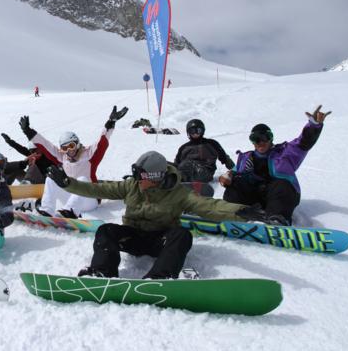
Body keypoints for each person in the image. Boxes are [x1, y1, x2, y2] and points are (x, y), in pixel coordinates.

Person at [46, 151, 262, 279]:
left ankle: (160, 276)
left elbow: (210, 206)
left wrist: (242, 211)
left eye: (141, 175)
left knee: (182, 235)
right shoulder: (133, 186)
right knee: (106, 230)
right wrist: (67, 183)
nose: (137, 179)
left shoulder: (178, 194)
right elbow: (99, 189)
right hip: (132, 236)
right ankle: (101, 272)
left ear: (156, 176)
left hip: (160, 240)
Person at [218, 105, 331, 226]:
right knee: (236, 184)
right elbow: (232, 174)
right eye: (256, 139)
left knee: (281, 184)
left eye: (265, 138)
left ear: (271, 138)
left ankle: (277, 219)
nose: (261, 142)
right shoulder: (246, 157)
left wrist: (313, 125)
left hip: (280, 196)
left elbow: (303, 143)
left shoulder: (285, 152)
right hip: (256, 197)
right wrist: (227, 177)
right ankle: (231, 214)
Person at [19, 105, 128, 218]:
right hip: (71, 195)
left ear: (77, 143)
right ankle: (47, 210)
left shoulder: (89, 155)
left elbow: (102, 142)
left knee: (82, 179)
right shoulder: (62, 157)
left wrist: (110, 122)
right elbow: (46, 145)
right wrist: (28, 132)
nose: (69, 150)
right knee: (51, 177)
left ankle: (70, 211)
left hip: (90, 198)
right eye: (65, 148)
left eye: (71, 145)